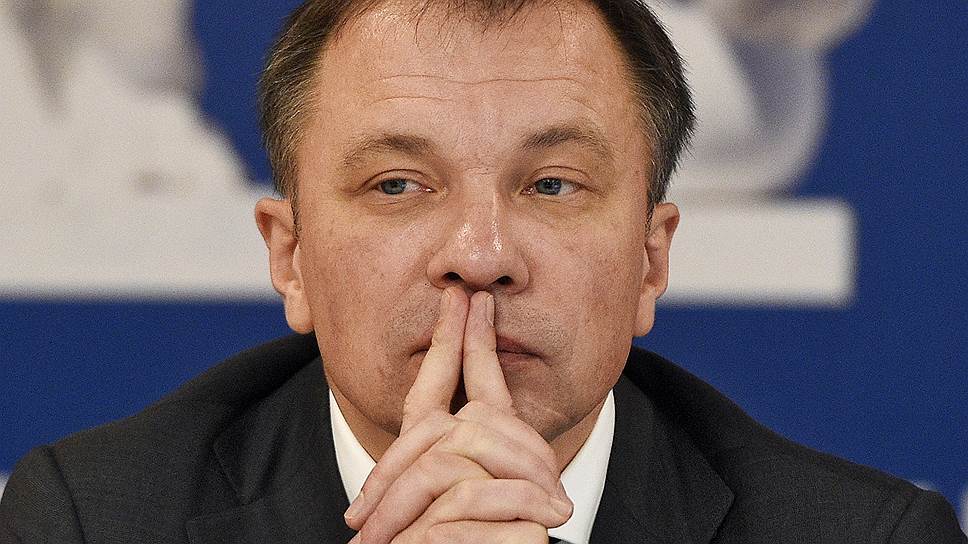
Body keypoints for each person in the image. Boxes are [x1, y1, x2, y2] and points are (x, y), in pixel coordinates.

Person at [1, 0, 964, 542]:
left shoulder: (866, 539)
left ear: (650, 259)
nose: (480, 255)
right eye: (397, 185)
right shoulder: (92, 521)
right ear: (289, 258)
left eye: (551, 185)